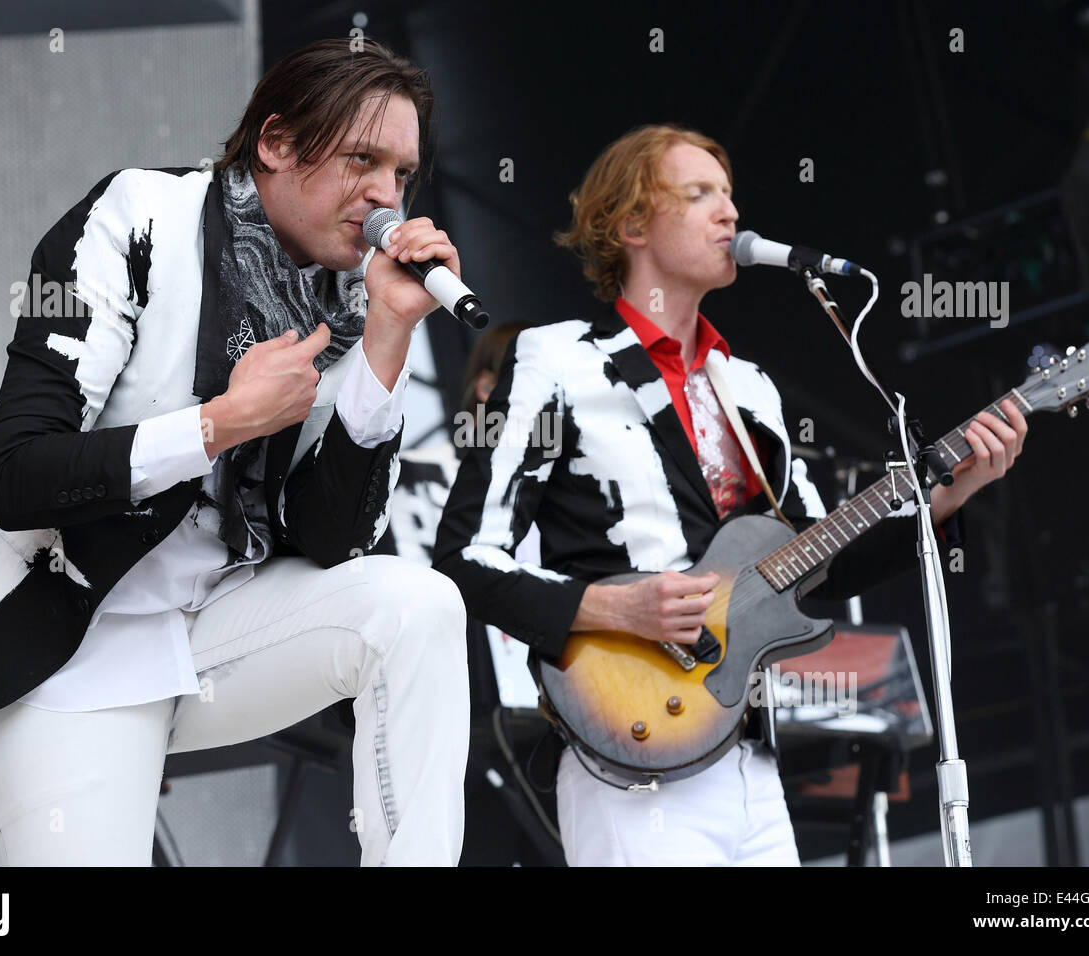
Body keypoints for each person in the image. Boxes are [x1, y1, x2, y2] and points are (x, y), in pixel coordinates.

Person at [0, 38, 469, 866]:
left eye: (403, 175)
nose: (386, 197)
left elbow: (332, 541)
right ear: (275, 144)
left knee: (417, 606)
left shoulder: (349, 301)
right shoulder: (141, 215)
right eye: (362, 160)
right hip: (68, 639)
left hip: (222, 628)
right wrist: (217, 425)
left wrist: (387, 334)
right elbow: (9, 476)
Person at [432, 124, 1027, 866]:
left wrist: (946, 496)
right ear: (633, 225)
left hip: (749, 756)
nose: (730, 214)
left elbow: (822, 561)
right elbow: (463, 557)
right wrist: (615, 606)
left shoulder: (748, 388)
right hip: (630, 758)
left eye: (730, 196)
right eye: (700, 194)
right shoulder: (553, 359)